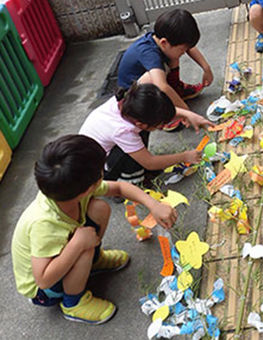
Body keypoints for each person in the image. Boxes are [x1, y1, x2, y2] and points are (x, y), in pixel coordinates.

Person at [11, 135, 177, 324]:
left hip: (59, 257)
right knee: (83, 245)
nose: (103, 174)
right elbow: (43, 280)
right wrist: (77, 245)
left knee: (99, 208)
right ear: (89, 187)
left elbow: (120, 188)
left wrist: (153, 205)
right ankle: (73, 303)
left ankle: (94, 262)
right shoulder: (44, 224)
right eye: (101, 172)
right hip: (43, 291)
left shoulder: (67, 190)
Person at [80, 82, 212, 185]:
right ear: (140, 124)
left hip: (99, 151)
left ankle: (136, 167)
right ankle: (130, 181)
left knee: (138, 140)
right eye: (160, 125)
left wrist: (187, 114)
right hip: (99, 172)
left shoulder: (129, 103)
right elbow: (150, 162)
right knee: (131, 153)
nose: (163, 127)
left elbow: (157, 109)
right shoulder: (122, 131)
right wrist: (184, 156)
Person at [117, 9, 213, 130]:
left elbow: (188, 47)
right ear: (164, 42)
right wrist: (188, 113)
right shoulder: (149, 53)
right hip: (132, 98)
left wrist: (206, 68)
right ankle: (161, 112)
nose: (184, 53)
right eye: (182, 50)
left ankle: (176, 91)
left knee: (174, 56)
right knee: (155, 78)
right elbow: (161, 86)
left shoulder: (164, 38)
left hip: (146, 87)